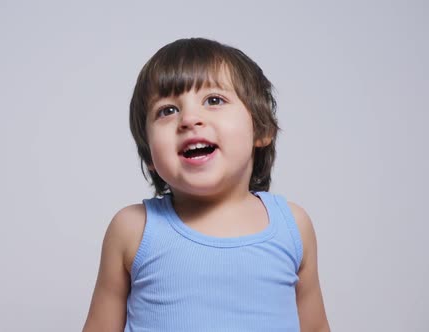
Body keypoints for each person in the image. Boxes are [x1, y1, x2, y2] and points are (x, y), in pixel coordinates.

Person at [83, 38, 330, 331]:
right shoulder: (133, 229)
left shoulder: (293, 226)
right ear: (149, 152)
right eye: (167, 110)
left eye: (214, 100)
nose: (189, 119)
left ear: (261, 130)